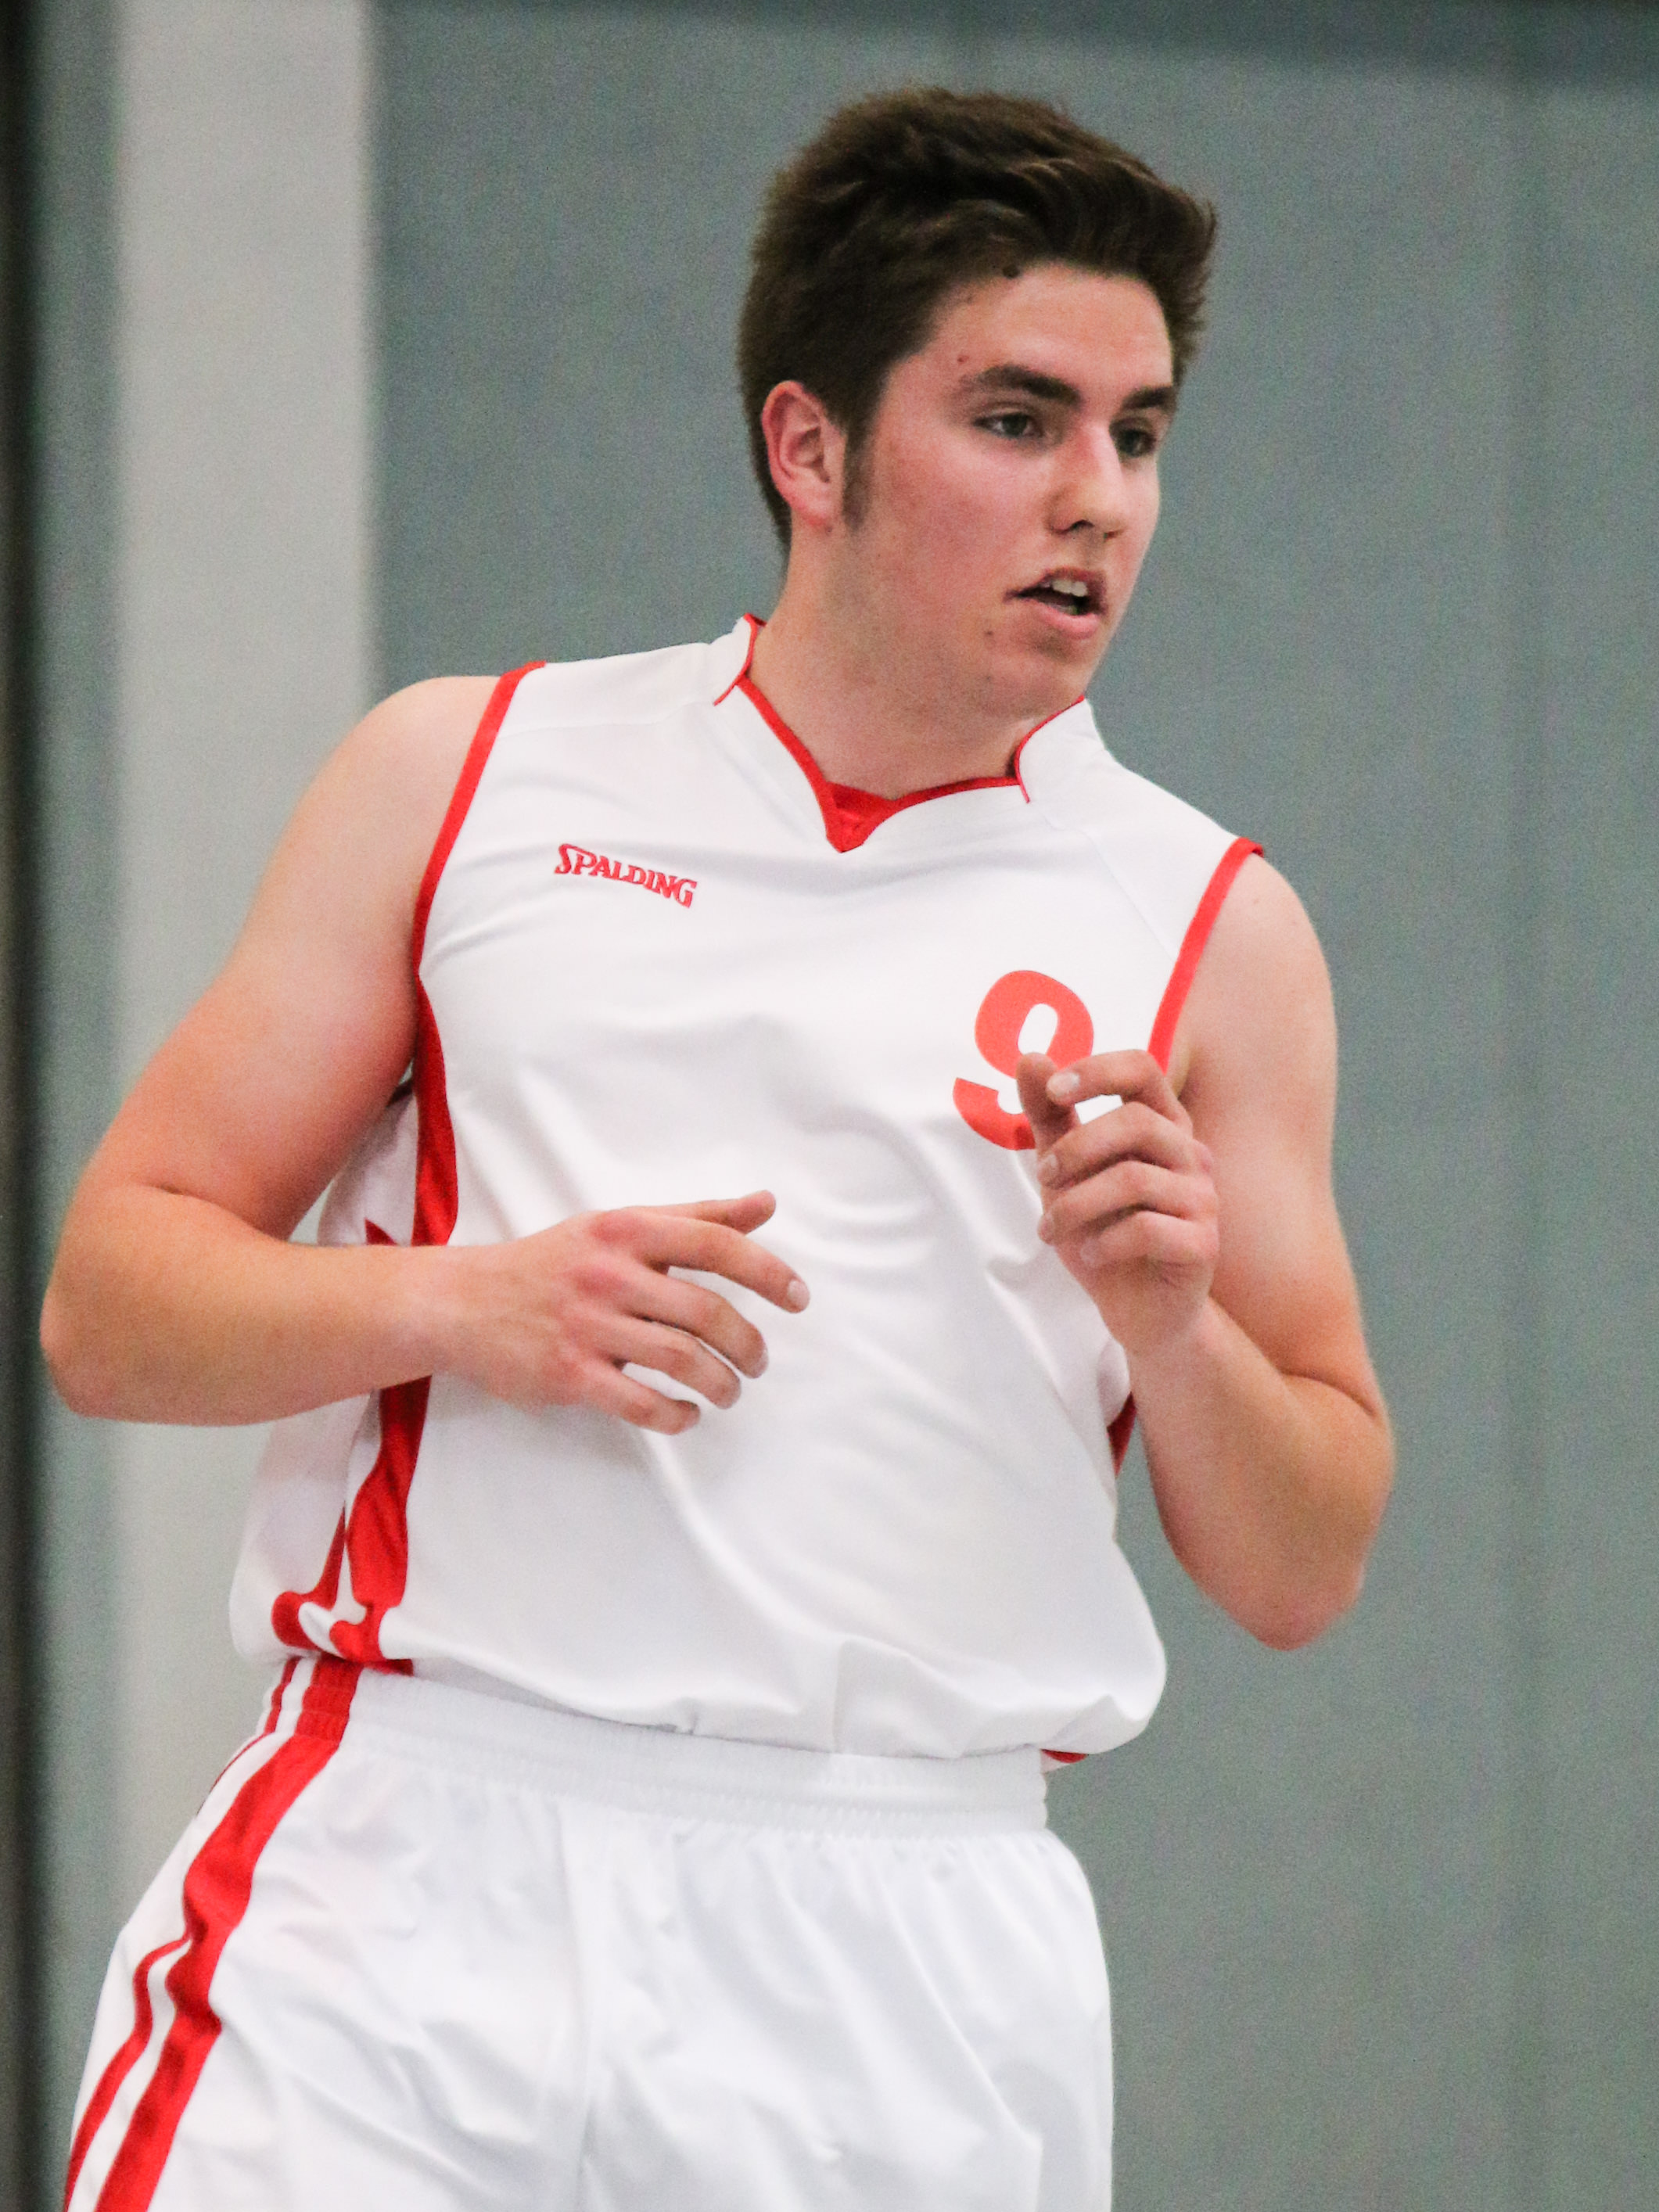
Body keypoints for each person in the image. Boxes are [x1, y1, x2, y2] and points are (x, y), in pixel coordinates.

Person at [45, 88, 1391, 2212]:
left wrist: (1171, 1323)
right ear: (809, 447)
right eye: (1018, 418)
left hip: (905, 1955)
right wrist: (463, 1305)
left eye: (1137, 435)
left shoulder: (1213, 927)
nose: (1098, 498)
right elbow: (110, 1306)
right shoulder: (467, 770)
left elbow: (1305, 1564)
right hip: (409, 1883)